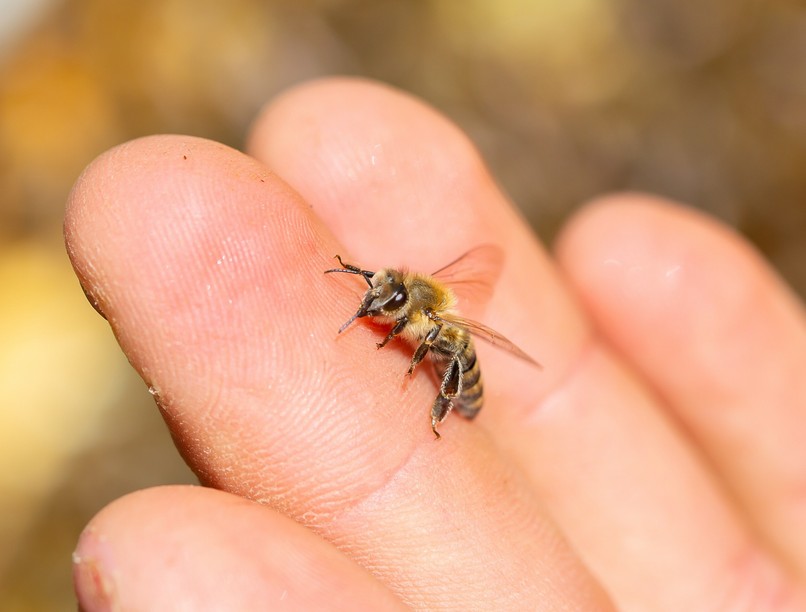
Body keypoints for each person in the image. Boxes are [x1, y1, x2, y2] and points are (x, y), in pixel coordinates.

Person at [65, 78, 806, 610]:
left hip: (459, 365)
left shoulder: (430, 326)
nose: (374, 302)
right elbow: (389, 282)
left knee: (449, 354)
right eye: (375, 295)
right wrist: (358, 279)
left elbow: (437, 331)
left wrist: (423, 380)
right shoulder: (398, 287)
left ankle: (445, 410)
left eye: (383, 301)